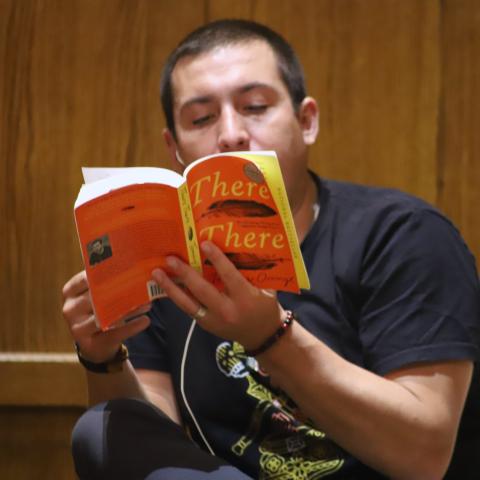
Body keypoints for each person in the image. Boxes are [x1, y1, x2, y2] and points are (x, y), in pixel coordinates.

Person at [62, 19, 480, 480]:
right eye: (201, 118)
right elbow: (150, 439)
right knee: (99, 429)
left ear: (306, 122)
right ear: (174, 149)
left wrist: (272, 338)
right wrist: (103, 359)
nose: (231, 134)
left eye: (255, 107)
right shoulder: (166, 259)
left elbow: (424, 455)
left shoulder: (402, 235)